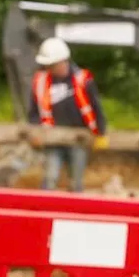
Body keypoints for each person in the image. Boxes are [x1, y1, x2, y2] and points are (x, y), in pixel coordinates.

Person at [26, 37, 108, 192]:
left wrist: (101, 132)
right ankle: (45, 209)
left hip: (78, 139)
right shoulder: (41, 82)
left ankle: (75, 212)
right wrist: (35, 132)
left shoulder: (82, 80)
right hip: (52, 139)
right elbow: (33, 112)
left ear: (64, 60)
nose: (51, 68)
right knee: (50, 177)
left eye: (53, 64)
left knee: (76, 181)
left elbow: (96, 107)